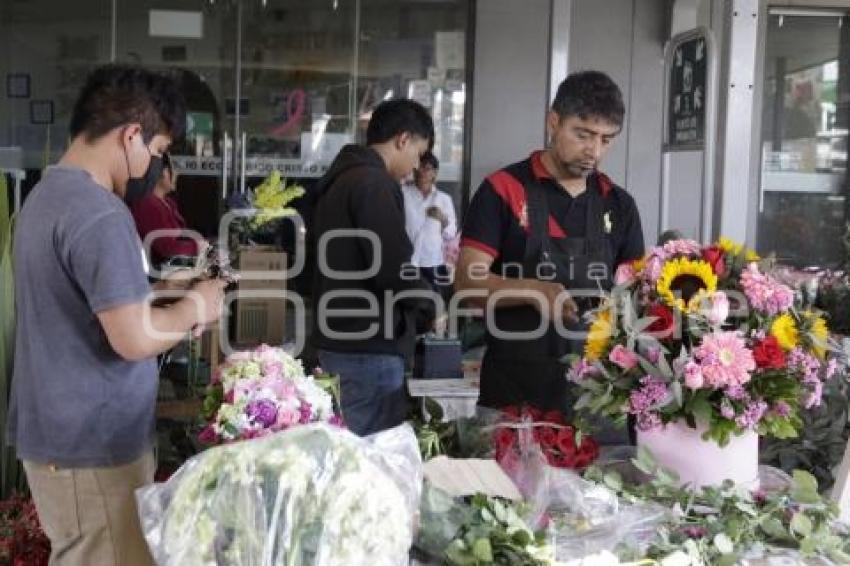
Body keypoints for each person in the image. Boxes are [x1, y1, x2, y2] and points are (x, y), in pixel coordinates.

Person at [7, 65, 227, 566]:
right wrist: (198, 305)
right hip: (92, 445)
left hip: (61, 439)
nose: (154, 165)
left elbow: (81, 307)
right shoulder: (99, 212)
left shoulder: (48, 196)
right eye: (155, 151)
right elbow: (130, 338)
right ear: (131, 135)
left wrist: (158, 289)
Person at [455, 70, 645, 414]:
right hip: (513, 393)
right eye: (583, 135)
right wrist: (536, 291)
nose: (594, 151)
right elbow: (468, 283)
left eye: (606, 139)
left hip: (598, 399)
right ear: (553, 122)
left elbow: (635, 298)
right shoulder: (503, 190)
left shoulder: (618, 204)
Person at [311, 98, 436, 436]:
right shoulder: (374, 184)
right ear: (403, 139)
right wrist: (430, 305)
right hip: (369, 346)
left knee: (343, 450)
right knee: (371, 462)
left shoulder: (337, 181)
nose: (415, 166)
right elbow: (392, 268)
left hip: (335, 339)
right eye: (417, 154)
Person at [131, 152, 203, 267]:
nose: (177, 173)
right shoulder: (148, 205)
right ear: (162, 172)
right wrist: (198, 246)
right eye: (173, 168)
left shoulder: (168, 203)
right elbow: (167, 248)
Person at [402, 151, 457, 298]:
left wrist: (443, 219)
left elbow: (451, 233)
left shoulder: (444, 199)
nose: (421, 172)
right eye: (418, 167)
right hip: (408, 261)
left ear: (435, 173)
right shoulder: (402, 194)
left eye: (426, 168)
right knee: (409, 305)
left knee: (438, 304)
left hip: (433, 261)